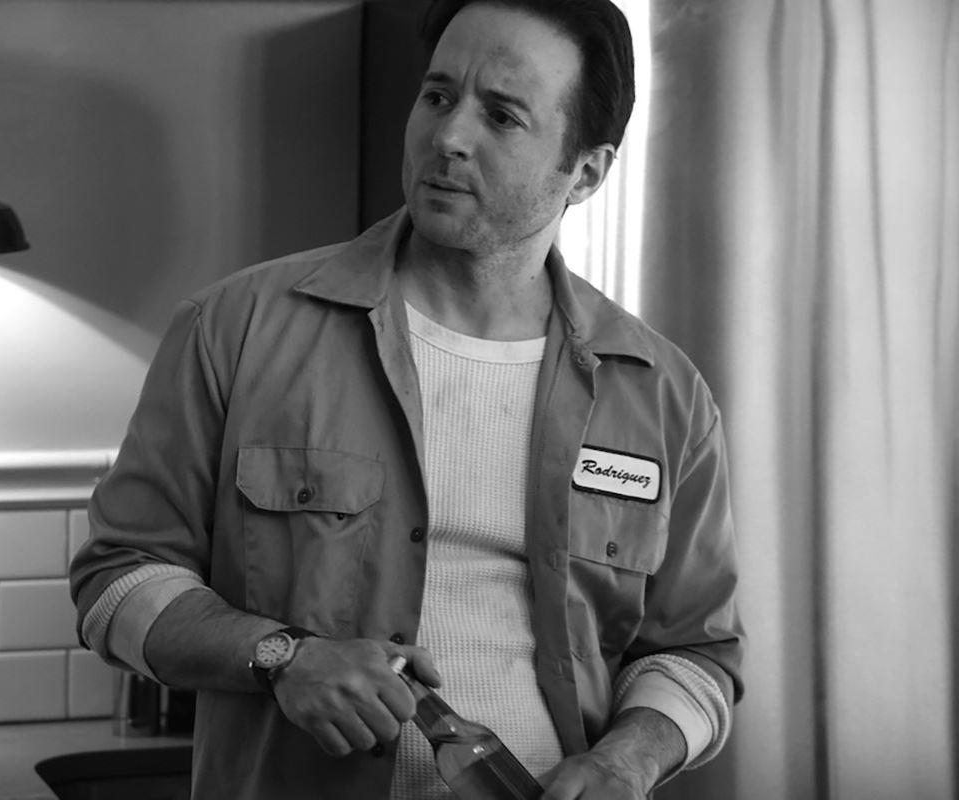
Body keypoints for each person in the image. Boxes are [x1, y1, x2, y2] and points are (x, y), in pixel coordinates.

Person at [69, 0, 744, 797]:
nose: (448, 135)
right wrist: (282, 656)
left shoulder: (663, 393)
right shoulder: (234, 328)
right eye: (437, 95)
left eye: (501, 115)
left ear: (587, 172)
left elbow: (694, 653)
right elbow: (116, 581)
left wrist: (626, 760)